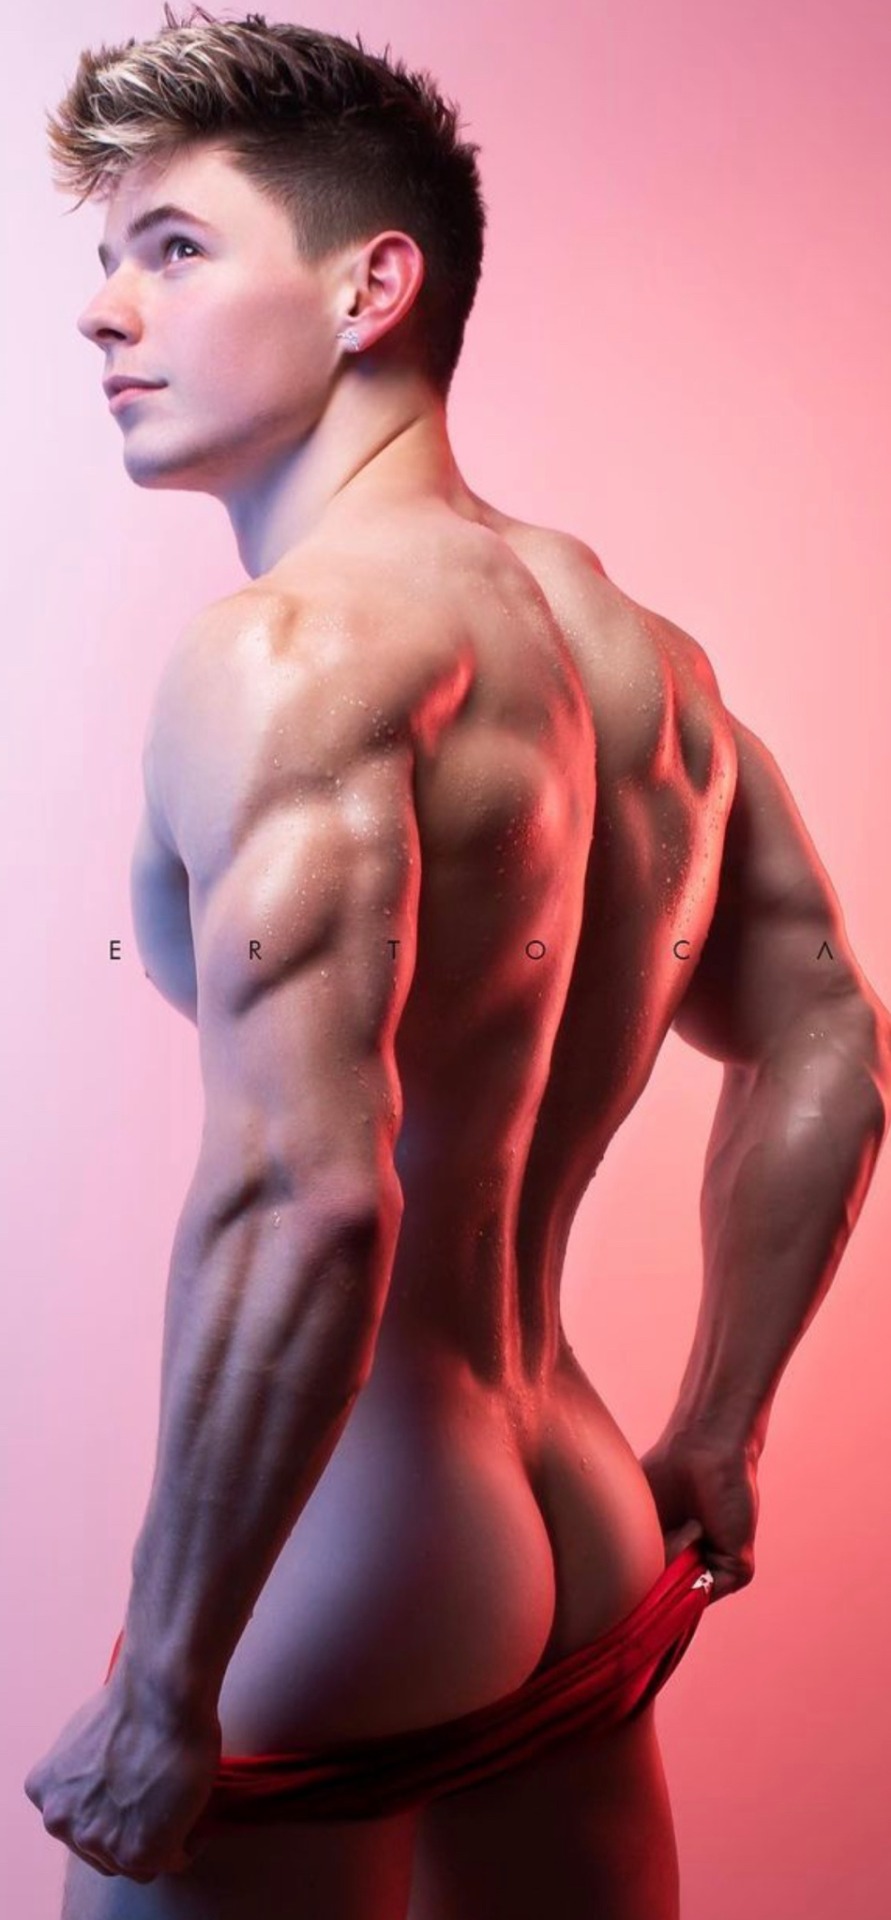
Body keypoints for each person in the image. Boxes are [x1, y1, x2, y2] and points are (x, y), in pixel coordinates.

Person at [24, 9, 891, 1918]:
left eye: (175, 247)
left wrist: (169, 1686)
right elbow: (828, 1030)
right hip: (579, 1501)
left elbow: (306, 1194)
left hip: (353, 1540)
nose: (104, 311)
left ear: (371, 289)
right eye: (107, 260)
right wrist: (718, 1427)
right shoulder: (644, 661)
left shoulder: (288, 659)